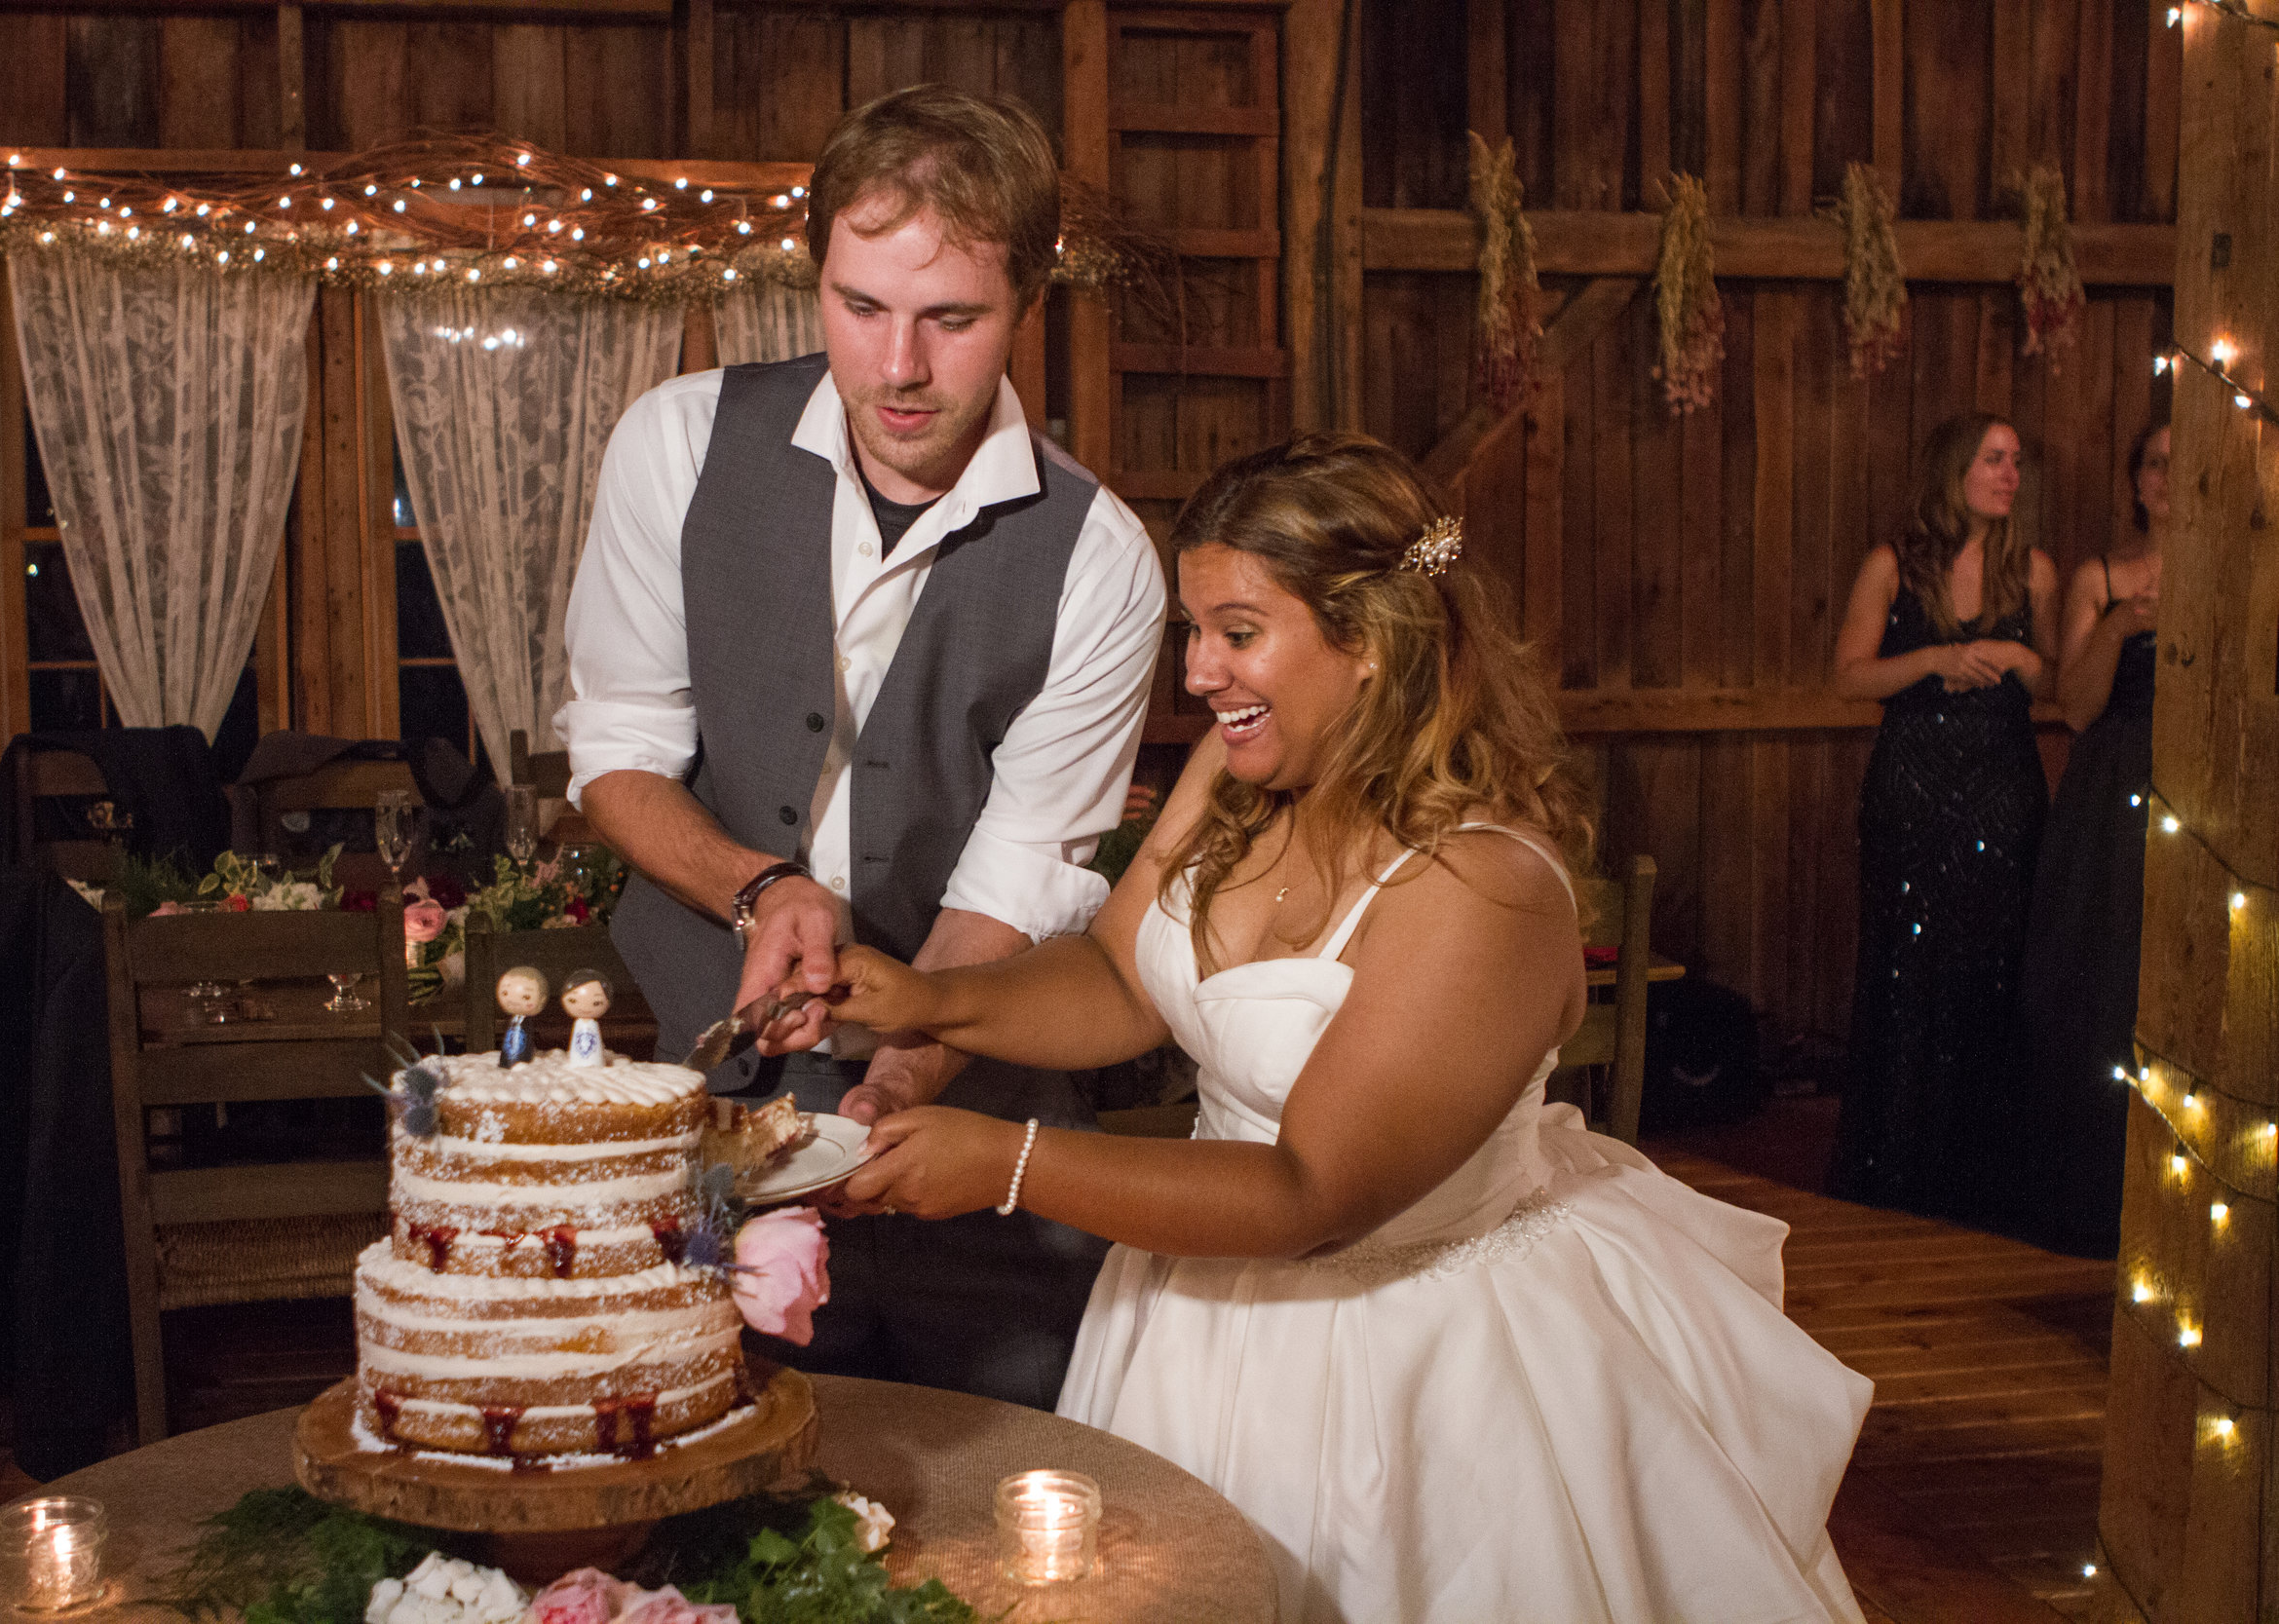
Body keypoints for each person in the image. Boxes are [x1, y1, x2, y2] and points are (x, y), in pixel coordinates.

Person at [805, 434, 1874, 1623]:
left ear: (1367, 639)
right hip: (1190, 1324)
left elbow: (1310, 1193)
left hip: (1407, 1372)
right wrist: (920, 997)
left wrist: (1004, 1164)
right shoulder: (1233, 771)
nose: (1200, 673)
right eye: (1189, 633)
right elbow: (1122, 975)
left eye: (1237, 631)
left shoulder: (1481, 886)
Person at [555, 85, 1166, 1408]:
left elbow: (1015, 882)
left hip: (977, 1126)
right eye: (861, 305)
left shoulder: (1102, 559)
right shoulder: (676, 445)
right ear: (816, 274)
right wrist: (760, 886)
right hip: (700, 1113)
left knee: (1010, 1515)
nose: (899, 366)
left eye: (952, 318)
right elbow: (618, 751)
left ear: (1028, 304)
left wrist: (898, 1086)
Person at [1829, 411, 2060, 1226]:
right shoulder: (1893, 563)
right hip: (1914, 786)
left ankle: (1981, 1171)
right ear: (1954, 467)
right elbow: (1848, 677)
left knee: (1994, 967)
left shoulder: (2031, 570)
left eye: (2017, 460)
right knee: (1905, 965)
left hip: (2002, 784)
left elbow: (2060, 686)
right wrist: (1931, 659)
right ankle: (1896, 1164)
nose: (2010, 474)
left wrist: (2025, 661)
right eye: (1995, 459)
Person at [2016, 421, 2167, 1258]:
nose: (2170, 480)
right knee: (2102, 969)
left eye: (2185, 465)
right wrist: (2122, 623)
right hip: (2114, 783)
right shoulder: (2099, 577)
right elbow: (2075, 705)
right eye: (2155, 465)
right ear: (2137, 482)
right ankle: (2086, 1192)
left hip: (2206, 783)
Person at [495, 965, 547, 1068]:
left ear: (542, 999)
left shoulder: (525, 1022)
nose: (513, 1001)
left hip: (523, 1063)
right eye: (505, 993)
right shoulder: (514, 1021)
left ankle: (519, 1060)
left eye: (526, 997)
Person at [560, 967, 612, 1068]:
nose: (584, 1008)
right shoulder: (579, 1023)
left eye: (596, 1003)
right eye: (573, 1000)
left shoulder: (592, 1024)